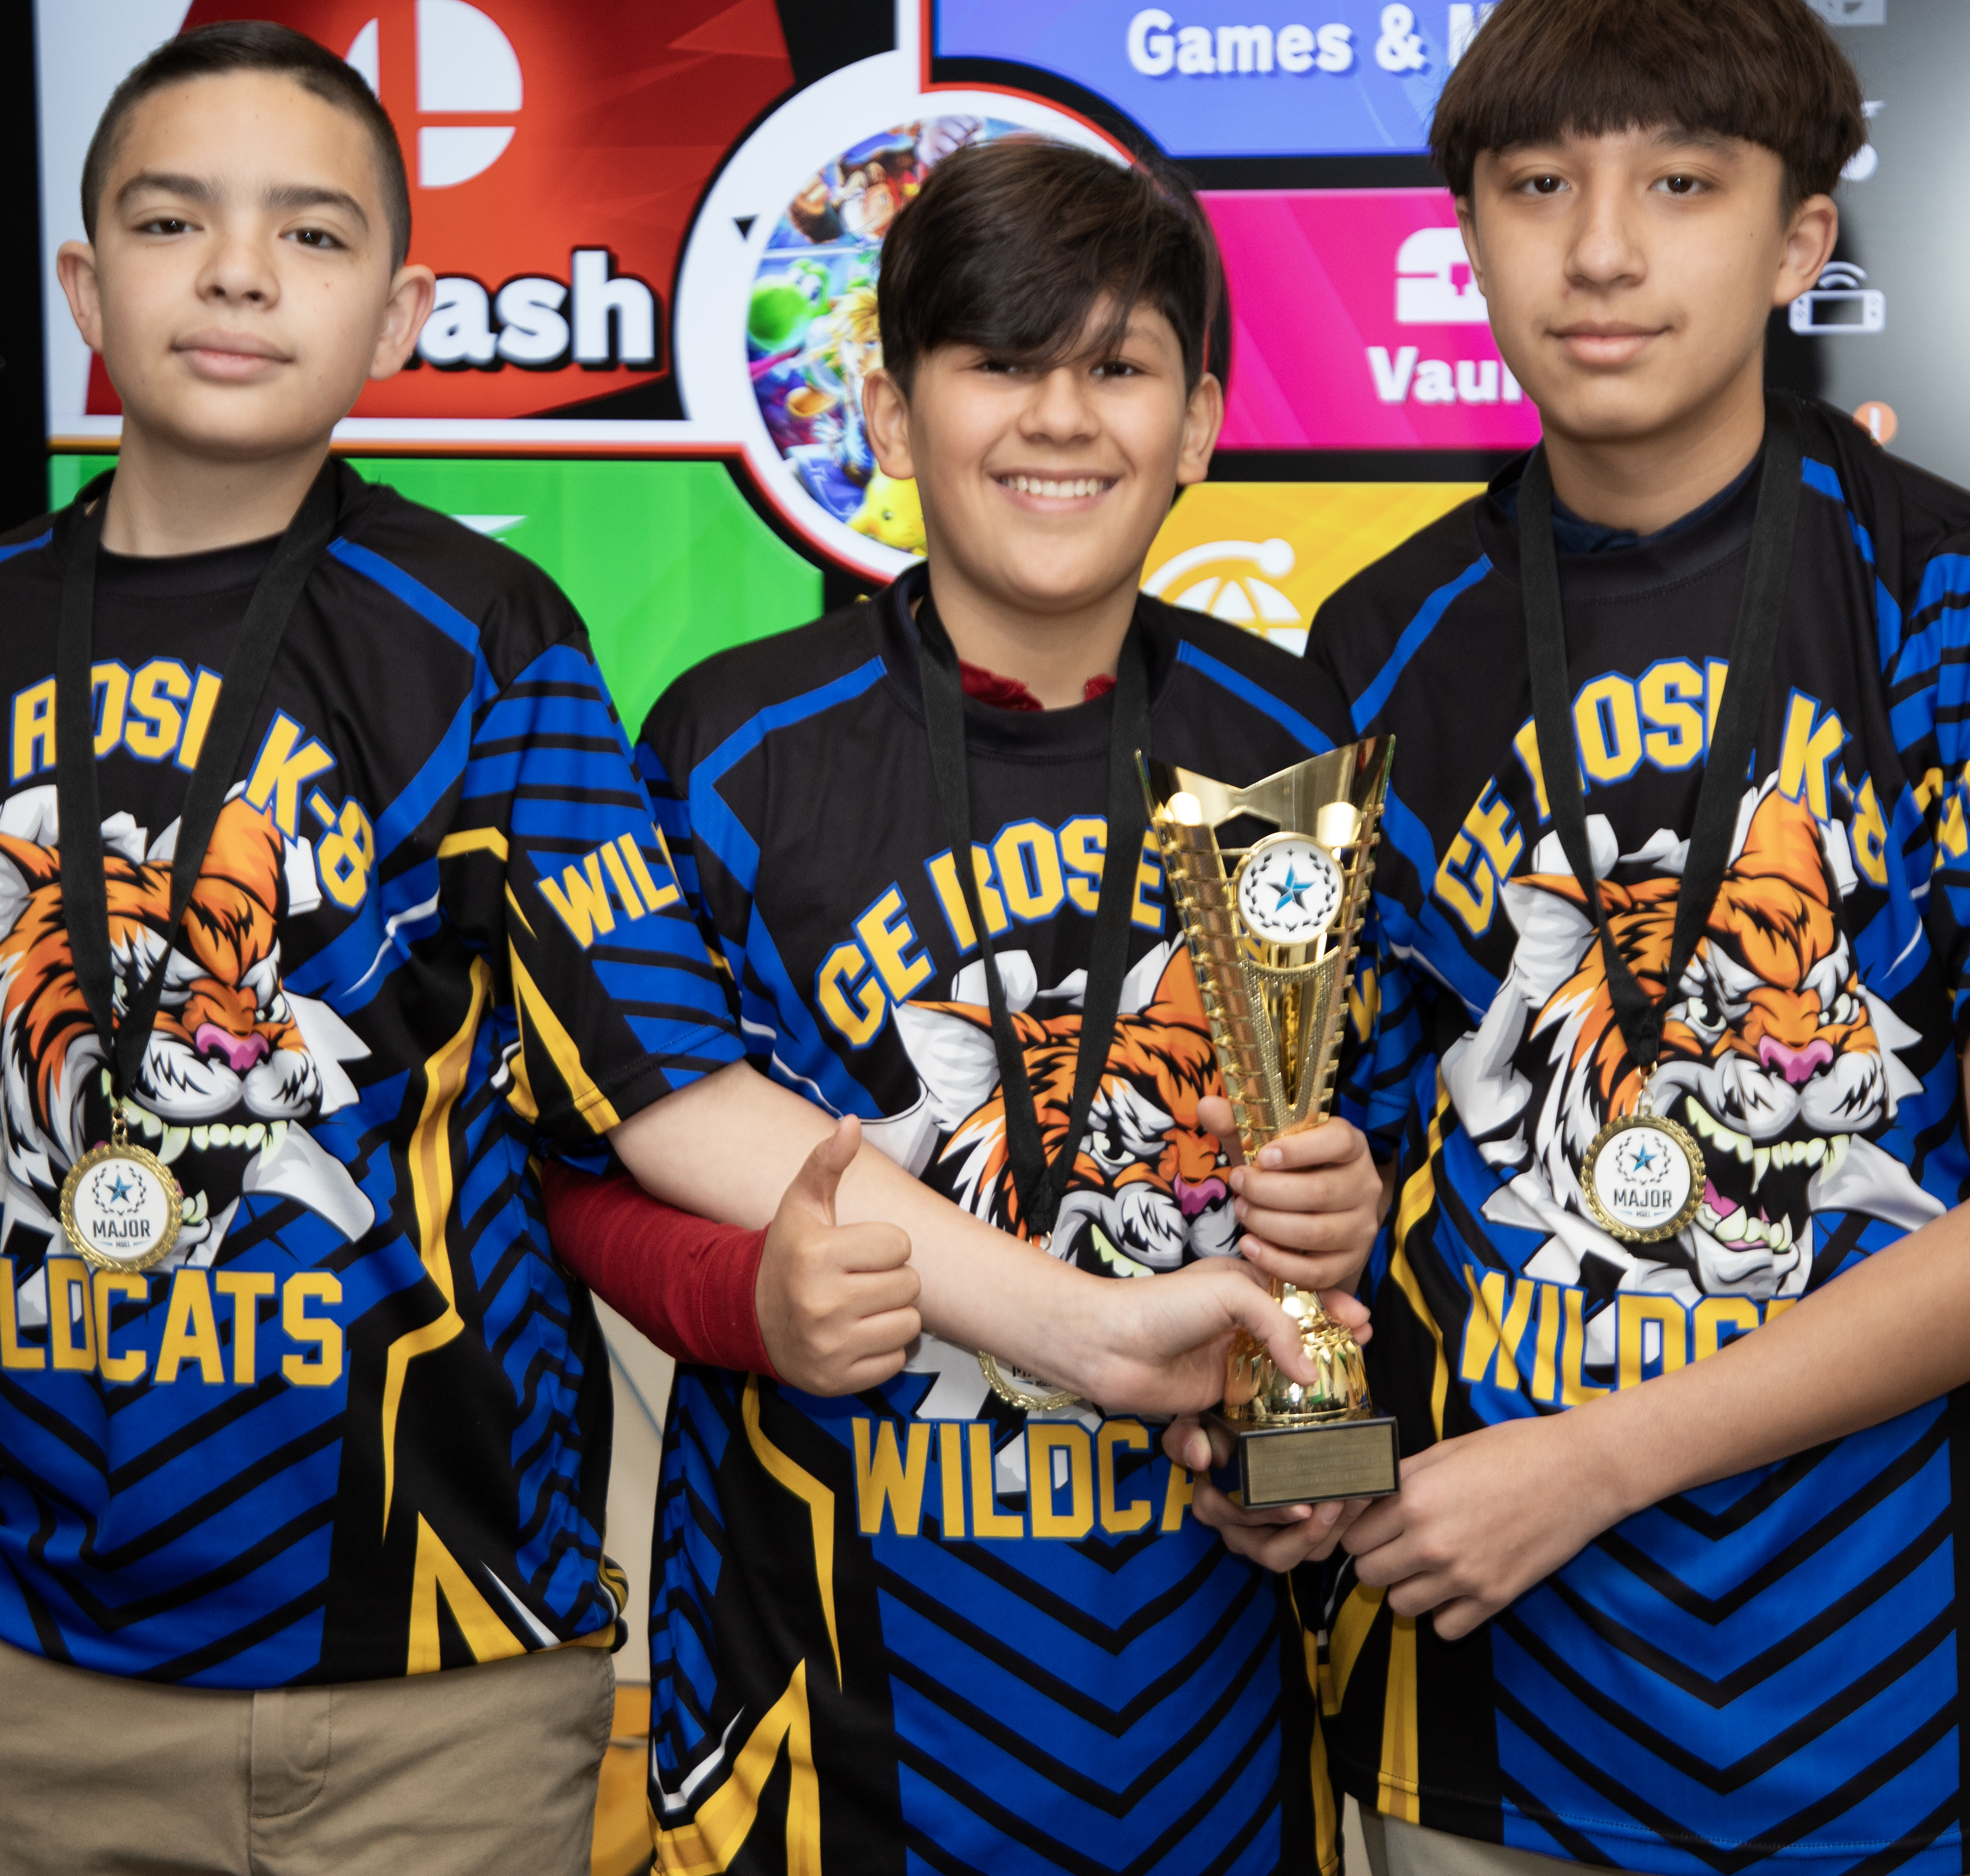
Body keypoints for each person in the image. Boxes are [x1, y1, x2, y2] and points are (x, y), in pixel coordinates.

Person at [0, 23, 1320, 1876]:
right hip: (112, 1662)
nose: (243, 271)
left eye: (312, 235)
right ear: (86, 284)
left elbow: (667, 1101)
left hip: (489, 1662)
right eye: (178, 222)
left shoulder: (494, 635)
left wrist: (1256, 1408)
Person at [1233, 0, 1970, 1874]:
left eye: (1681, 184)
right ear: (1472, 239)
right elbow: (1311, 1175)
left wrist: (1596, 1460)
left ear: (1799, 244)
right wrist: (1288, 1464)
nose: (1601, 251)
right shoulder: (1367, 648)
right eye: (1540, 188)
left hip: (1873, 1705)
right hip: (1470, 1688)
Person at [562, 134, 1386, 1874]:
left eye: (1118, 365)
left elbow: (1299, 1198)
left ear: (1204, 422)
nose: (1060, 416)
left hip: (1205, 1728)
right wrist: (751, 1300)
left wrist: (1312, 1462)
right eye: (999, 360)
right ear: (887, 409)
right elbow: (584, 1158)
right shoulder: (728, 747)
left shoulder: (1279, 745)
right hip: (821, 1722)